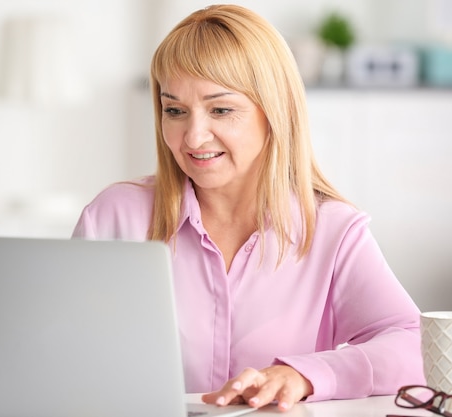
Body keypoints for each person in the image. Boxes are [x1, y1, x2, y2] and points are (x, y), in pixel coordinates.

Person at [72, 4, 425, 412]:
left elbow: (413, 345)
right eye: (175, 110)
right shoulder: (114, 217)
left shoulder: (331, 230)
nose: (194, 136)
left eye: (220, 109)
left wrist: (304, 376)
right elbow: (61, 356)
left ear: (274, 113)